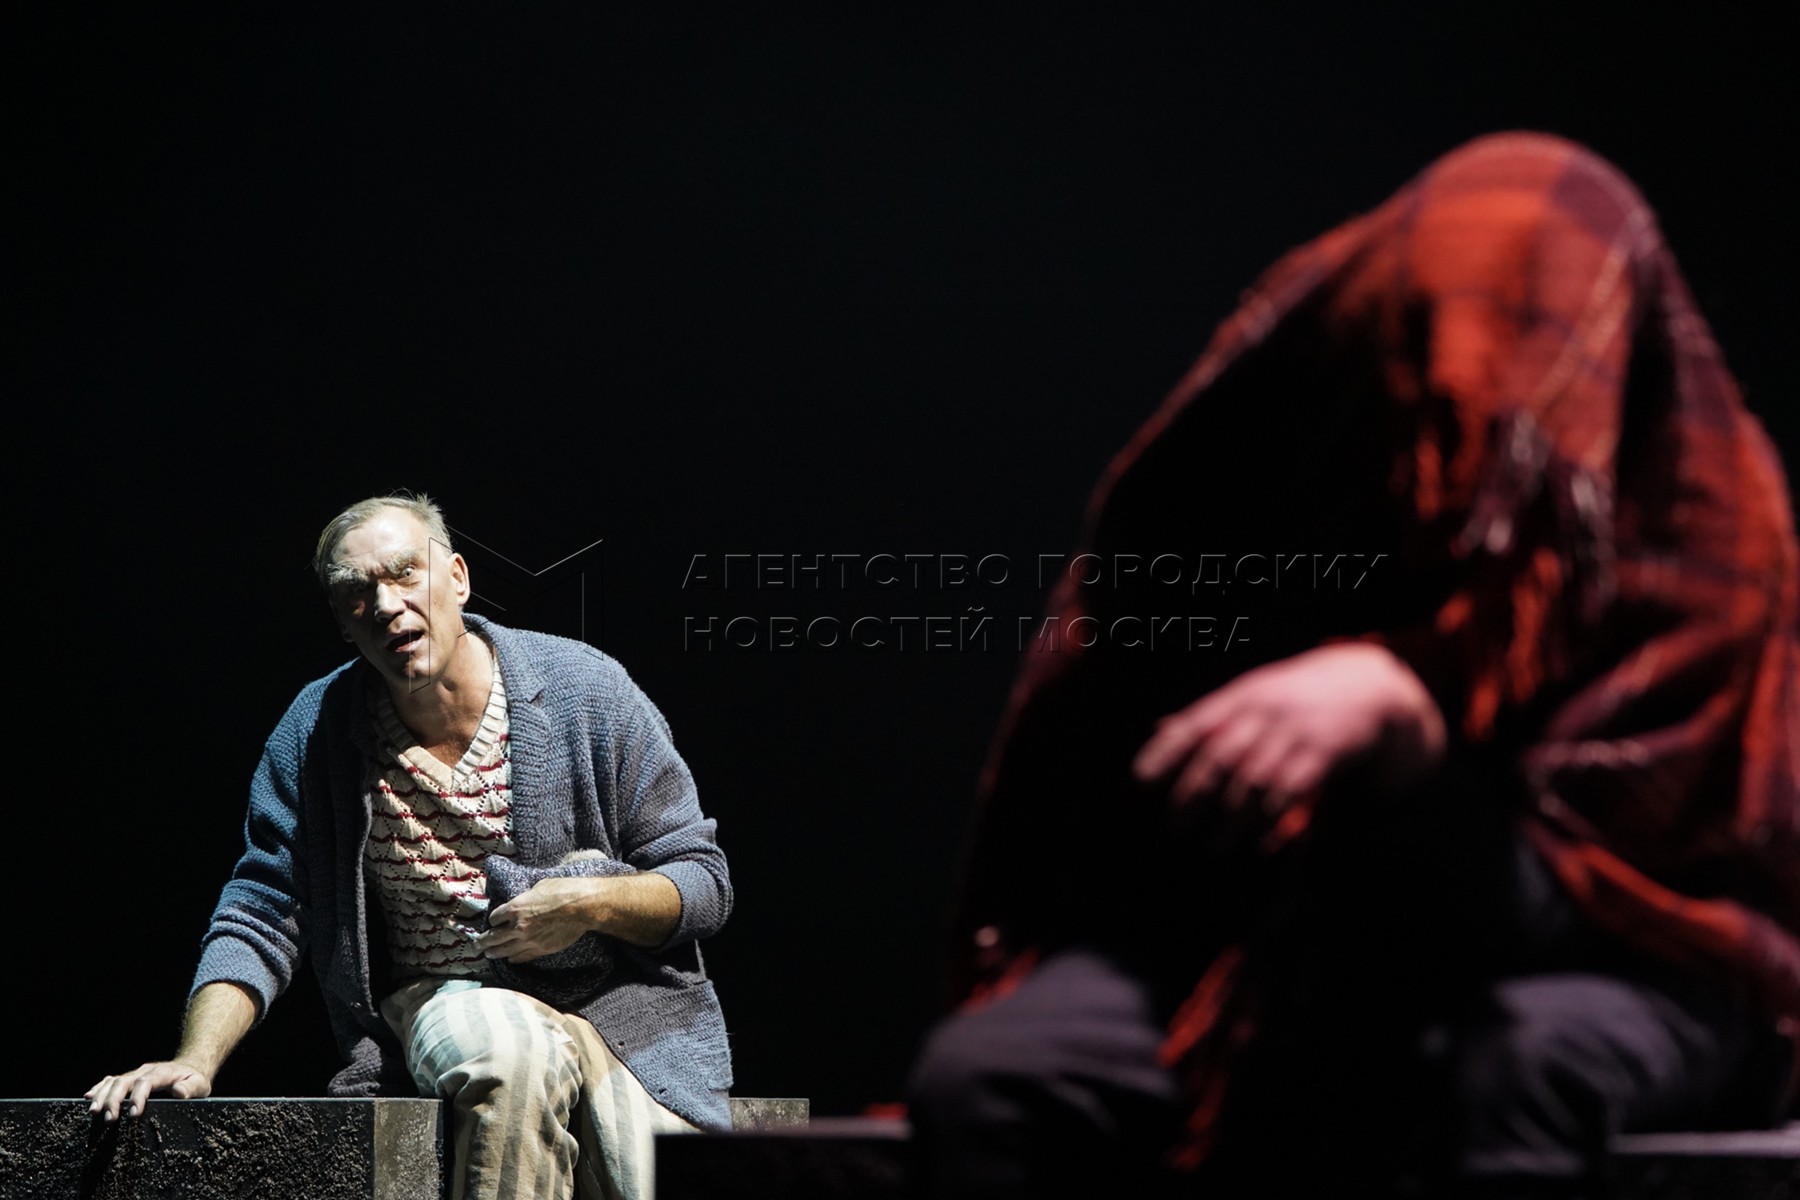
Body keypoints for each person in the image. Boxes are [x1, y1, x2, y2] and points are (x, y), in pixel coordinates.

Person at [908, 133, 1799, 1198]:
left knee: (1510, 1069)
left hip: (1635, 943)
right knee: (994, 1074)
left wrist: (1401, 718)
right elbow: (1146, 790)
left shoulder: (1706, 544)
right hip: (1288, 919)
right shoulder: (1325, 464)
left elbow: (1593, 893)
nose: (1479, 429)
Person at [86, 493, 733, 1200]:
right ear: (342, 621)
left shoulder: (586, 689)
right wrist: (196, 1061)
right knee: (511, 1055)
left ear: (457, 578)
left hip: (620, 1004)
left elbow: (701, 881)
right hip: (448, 995)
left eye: (404, 573)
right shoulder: (317, 733)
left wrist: (588, 904)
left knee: (651, 1169)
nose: (387, 605)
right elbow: (263, 910)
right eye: (357, 593)